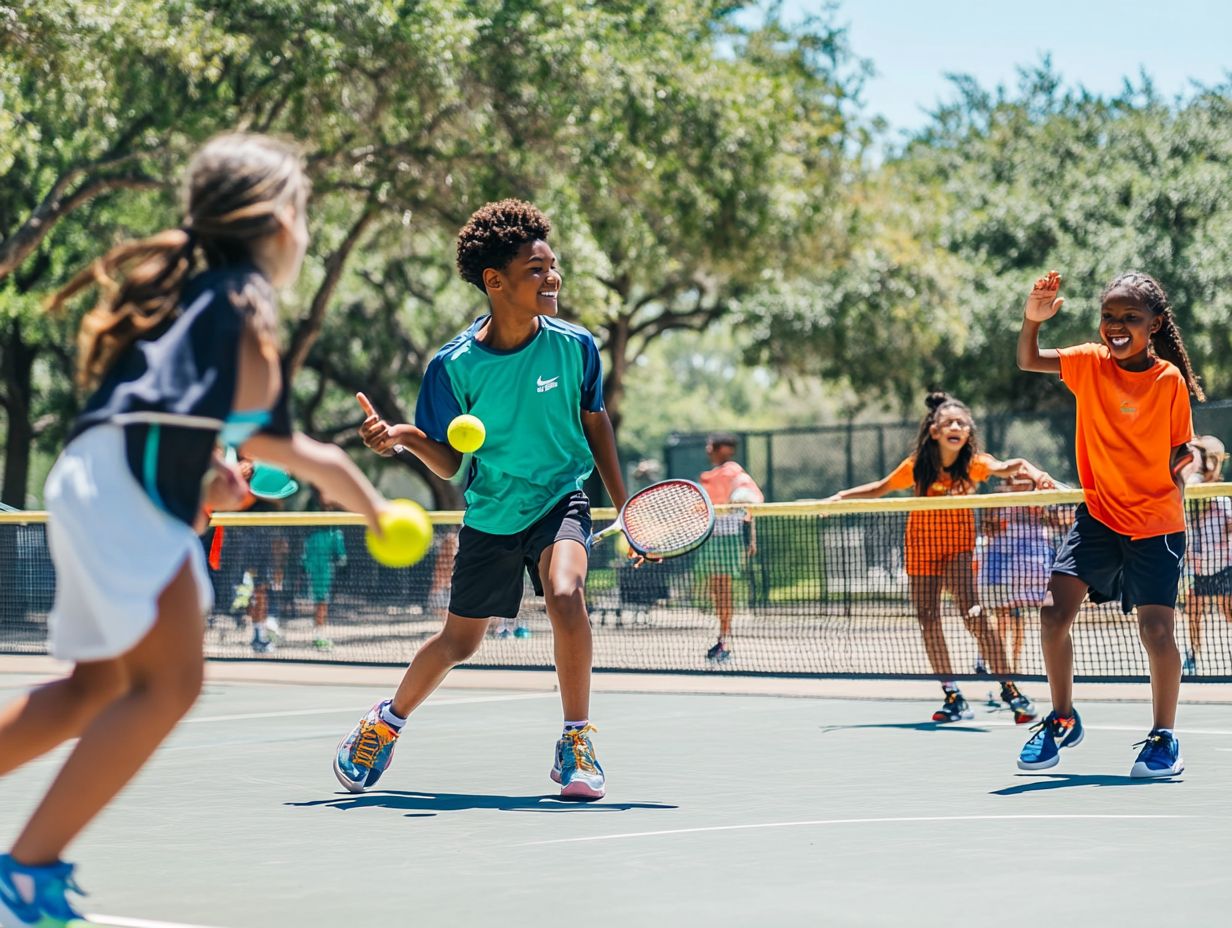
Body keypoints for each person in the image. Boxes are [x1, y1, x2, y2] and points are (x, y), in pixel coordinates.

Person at [0, 133, 388, 927]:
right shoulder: (246, 302)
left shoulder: (185, 292)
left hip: (88, 474)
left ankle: (29, 868)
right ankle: (26, 873)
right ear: (280, 220)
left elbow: (161, 414)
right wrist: (373, 507)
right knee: (171, 684)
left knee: (97, 687)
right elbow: (287, 445)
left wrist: (210, 473)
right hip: (125, 492)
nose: (306, 232)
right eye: (306, 214)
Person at [333, 199, 629, 801]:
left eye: (553, 266)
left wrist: (628, 507)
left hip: (561, 497)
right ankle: (385, 723)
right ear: (494, 282)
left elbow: (594, 422)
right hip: (492, 511)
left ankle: (577, 739)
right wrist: (406, 437)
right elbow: (448, 459)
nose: (552, 278)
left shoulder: (576, 347)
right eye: (535, 270)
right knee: (459, 643)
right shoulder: (453, 367)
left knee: (566, 595)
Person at [1015, 270, 1200, 777]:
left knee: (1157, 631)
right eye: (1109, 316)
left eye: (1130, 318)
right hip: (1099, 517)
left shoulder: (1168, 381)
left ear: (1155, 324)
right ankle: (1061, 719)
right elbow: (1029, 358)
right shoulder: (1089, 363)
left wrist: (1185, 484)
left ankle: (1164, 737)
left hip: (1155, 524)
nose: (1116, 326)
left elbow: (1179, 453)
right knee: (1053, 615)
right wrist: (1032, 320)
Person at [827, 392, 1053, 724]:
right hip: (921, 549)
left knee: (973, 613)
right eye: (948, 422)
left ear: (968, 433)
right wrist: (841, 497)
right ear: (935, 431)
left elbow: (1012, 467)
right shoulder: (918, 466)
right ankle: (952, 695)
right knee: (927, 617)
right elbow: (880, 488)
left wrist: (1037, 476)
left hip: (958, 548)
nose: (956, 426)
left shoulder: (975, 463)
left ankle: (1010, 689)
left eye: (962, 423)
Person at [979, 481, 1059, 676]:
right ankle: (998, 665)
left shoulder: (1037, 505)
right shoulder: (999, 503)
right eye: (1015, 481)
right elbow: (988, 529)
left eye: (1025, 482)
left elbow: (1053, 522)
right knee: (1000, 619)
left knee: (1017, 620)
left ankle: (1014, 666)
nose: (1019, 485)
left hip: (1023, 574)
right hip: (999, 572)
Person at [697, 433, 763, 663]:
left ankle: (724, 639)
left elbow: (749, 501)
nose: (707, 449)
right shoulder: (709, 477)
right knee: (716, 591)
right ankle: (721, 636)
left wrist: (750, 539)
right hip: (711, 538)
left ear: (723, 448)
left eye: (710, 445)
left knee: (724, 591)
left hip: (729, 539)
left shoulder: (734, 472)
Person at [1177, 435, 1231, 674]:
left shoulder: (1221, 499)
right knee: (1193, 612)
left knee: (1228, 612)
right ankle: (1193, 655)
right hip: (1197, 566)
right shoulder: (1189, 492)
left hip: (1222, 566)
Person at [302, 497, 348, 652]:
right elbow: (342, 557)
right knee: (321, 604)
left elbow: (304, 558)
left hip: (317, 573)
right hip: (323, 574)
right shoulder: (335, 535)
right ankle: (320, 635)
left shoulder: (315, 537)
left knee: (320, 603)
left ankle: (319, 633)